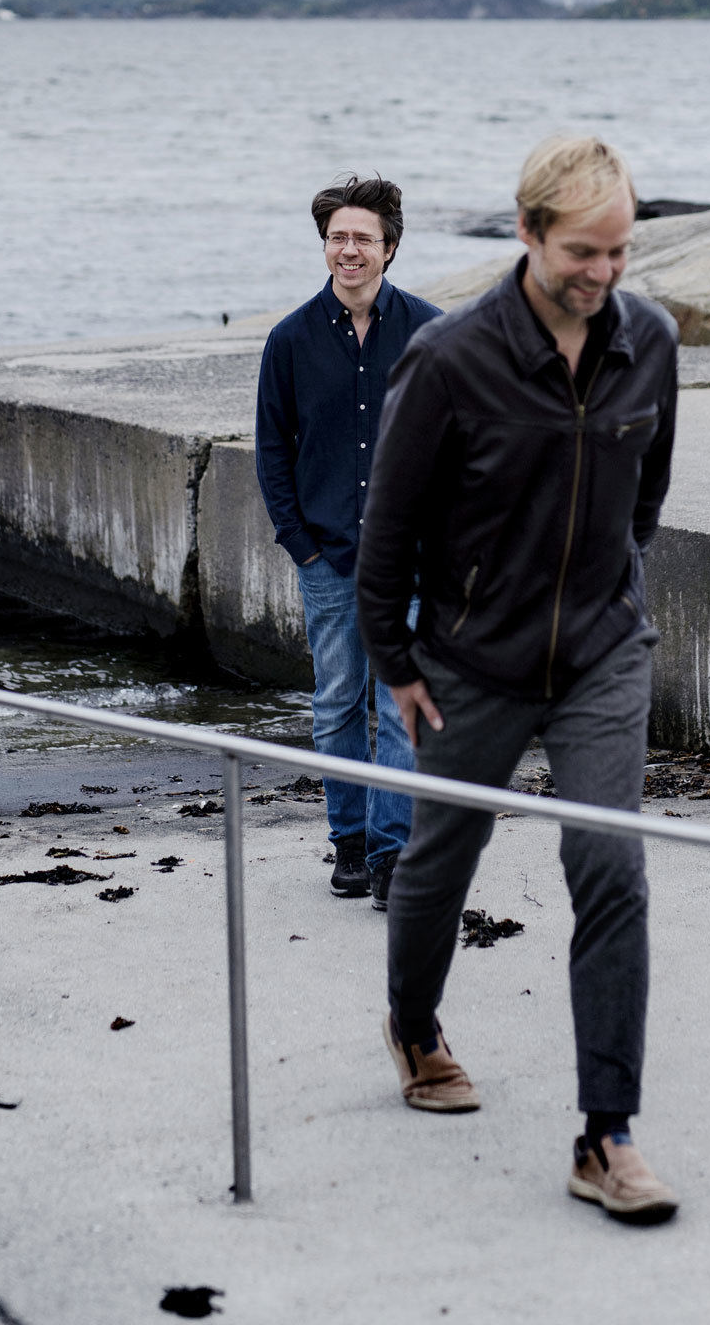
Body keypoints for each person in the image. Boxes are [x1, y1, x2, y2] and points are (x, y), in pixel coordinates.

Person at [357, 135, 681, 1226]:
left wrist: (614, 606)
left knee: (610, 870)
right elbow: (386, 529)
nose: (603, 274)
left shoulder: (654, 344)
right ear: (528, 235)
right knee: (439, 862)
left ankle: (607, 1134)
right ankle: (414, 1024)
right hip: (470, 663)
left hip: (599, 657)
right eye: (583, 252)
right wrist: (396, 662)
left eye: (621, 252)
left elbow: (644, 503)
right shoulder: (451, 360)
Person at [255, 175, 440, 905]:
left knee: (401, 707)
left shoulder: (429, 331)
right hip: (326, 557)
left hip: (411, 559)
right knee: (336, 703)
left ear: (389, 248)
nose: (349, 250)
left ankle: (395, 854)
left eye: (363, 238)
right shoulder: (290, 340)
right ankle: (352, 843)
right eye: (338, 238)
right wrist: (298, 542)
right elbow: (273, 449)